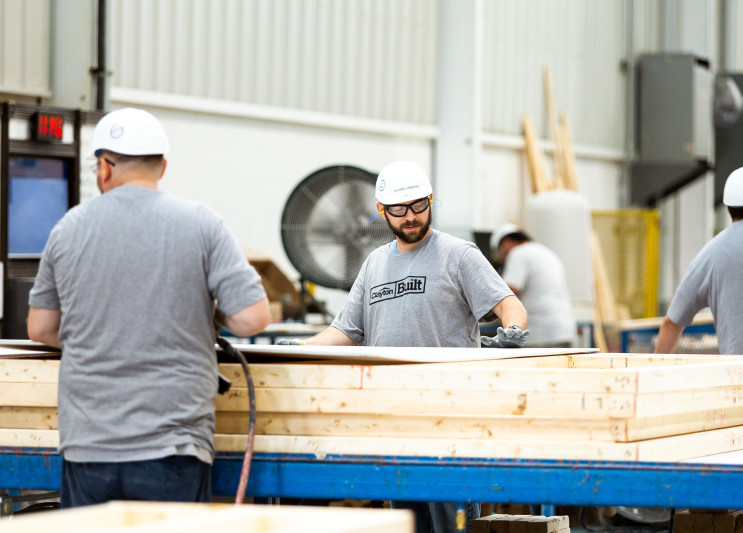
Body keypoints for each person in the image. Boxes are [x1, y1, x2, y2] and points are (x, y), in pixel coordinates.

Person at [27, 107, 270, 507]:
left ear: (104, 167)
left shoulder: (67, 228)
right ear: (163, 167)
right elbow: (252, 317)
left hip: (88, 446)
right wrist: (204, 314)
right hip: (172, 445)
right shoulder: (201, 223)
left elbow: (40, 329)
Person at [279, 160, 529, 533]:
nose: (410, 217)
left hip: (449, 416)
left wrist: (512, 330)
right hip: (391, 415)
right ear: (382, 210)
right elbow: (346, 329)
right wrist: (299, 347)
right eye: (398, 210)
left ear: (430, 201)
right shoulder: (374, 264)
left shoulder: (458, 255)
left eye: (418, 206)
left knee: (450, 518)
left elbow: (510, 305)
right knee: (407, 518)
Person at [654, 166, 743, 355]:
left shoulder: (709, 255)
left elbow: (671, 323)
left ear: (730, 209)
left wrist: (655, 370)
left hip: (739, 378)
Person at [490, 224, 576, 348]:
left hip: (540, 332)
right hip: (564, 329)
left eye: (501, 254)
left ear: (506, 242)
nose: (503, 259)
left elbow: (508, 292)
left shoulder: (518, 253)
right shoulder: (545, 252)